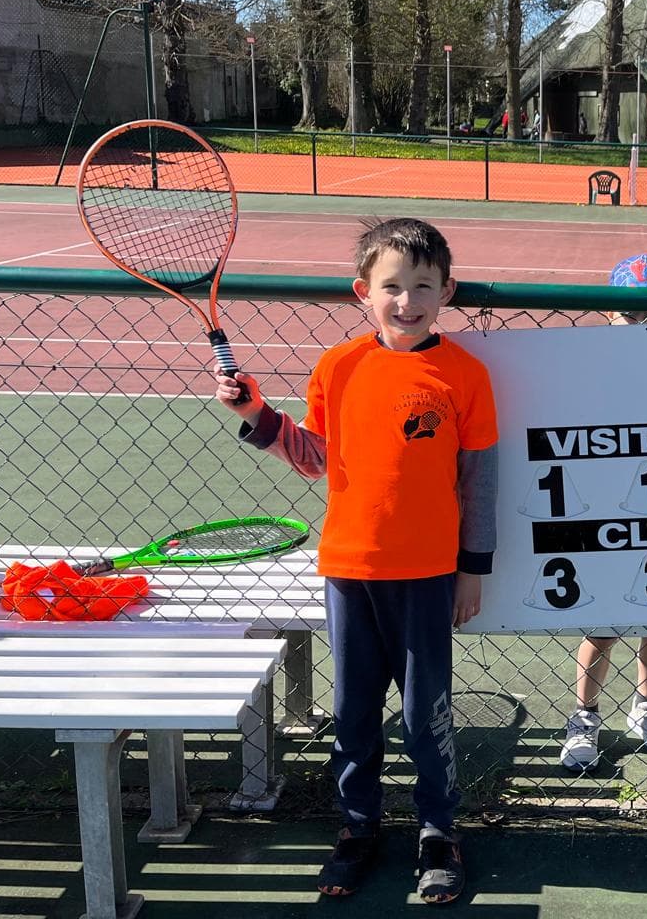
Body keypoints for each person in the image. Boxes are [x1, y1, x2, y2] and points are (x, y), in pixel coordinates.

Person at [215, 218, 497, 905]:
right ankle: (358, 826)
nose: (407, 300)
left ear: (447, 291)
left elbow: (480, 482)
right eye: (391, 286)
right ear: (362, 293)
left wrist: (473, 567)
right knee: (354, 711)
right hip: (350, 571)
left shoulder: (465, 374)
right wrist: (257, 414)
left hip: (427, 575)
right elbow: (313, 457)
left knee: (425, 715)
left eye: (423, 286)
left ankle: (438, 831)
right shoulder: (337, 366)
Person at [559, 253, 647, 771]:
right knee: (603, 622)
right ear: (608, 314)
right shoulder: (588, 367)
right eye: (629, 314)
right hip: (608, 509)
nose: (641, 325)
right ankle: (584, 714)